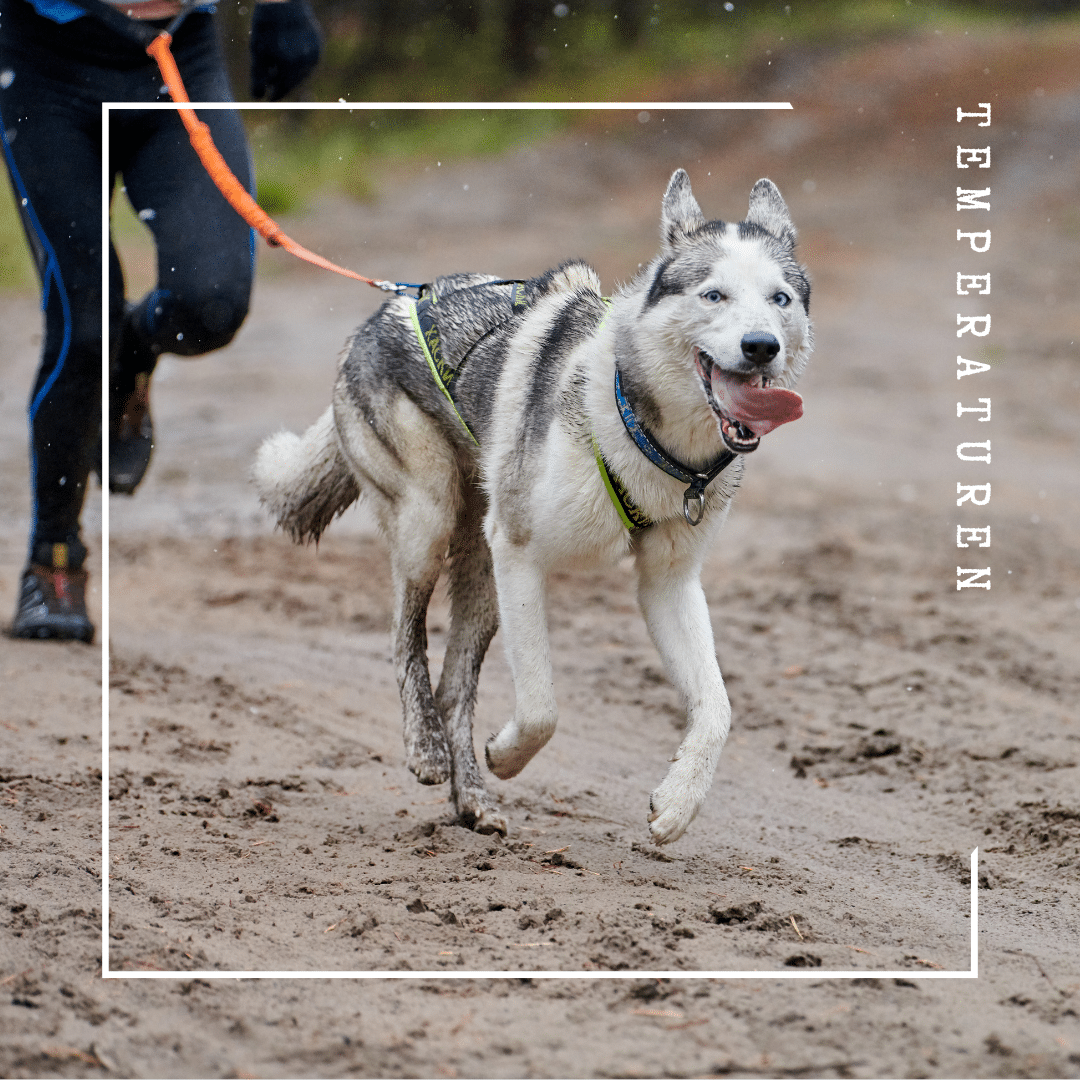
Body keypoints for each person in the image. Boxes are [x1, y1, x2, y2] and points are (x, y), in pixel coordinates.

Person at [0, 0, 321, 642]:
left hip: (177, 55)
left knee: (212, 304)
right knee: (83, 322)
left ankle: (133, 350)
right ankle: (53, 559)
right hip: (43, 65)